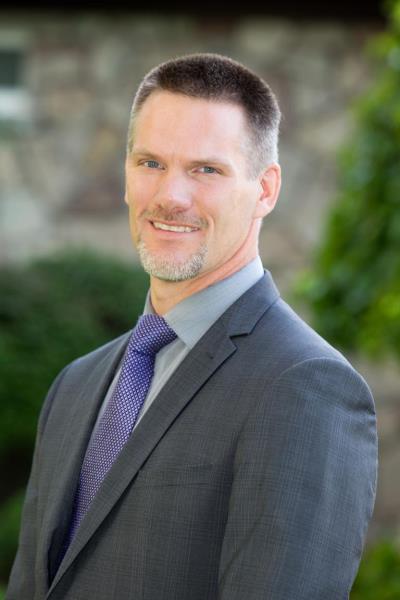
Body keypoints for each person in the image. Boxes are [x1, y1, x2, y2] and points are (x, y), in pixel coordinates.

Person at [7, 53, 377, 600]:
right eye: (150, 162)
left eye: (206, 169)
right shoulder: (75, 385)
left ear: (266, 189)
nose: (169, 197)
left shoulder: (306, 387)